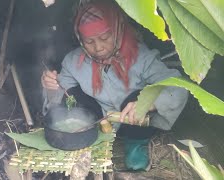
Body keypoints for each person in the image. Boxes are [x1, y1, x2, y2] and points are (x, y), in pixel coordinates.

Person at [41, 0, 188, 171]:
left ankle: (135, 144)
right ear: (80, 40)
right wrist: (51, 86)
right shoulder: (73, 61)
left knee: (138, 97)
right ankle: (94, 139)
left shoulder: (141, 57)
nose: (98, 47)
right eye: (89, 41)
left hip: (133, 121)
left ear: (118, 31)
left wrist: (150, 102)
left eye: (104, 38)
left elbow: (178, 86)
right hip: (97, 122)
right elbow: (61, 98)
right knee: (72, 94)